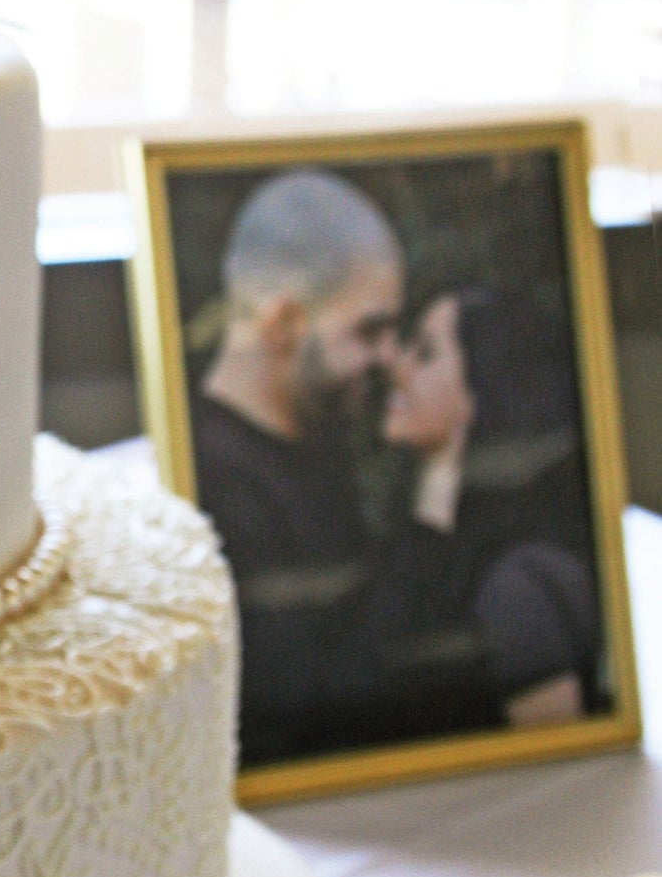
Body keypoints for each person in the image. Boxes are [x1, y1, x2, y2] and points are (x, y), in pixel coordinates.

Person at [192, 168, 494, 765]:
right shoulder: (214, 479)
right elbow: (341, 685)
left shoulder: (316, 438)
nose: (390, 357)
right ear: (281, 325)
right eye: (370, 330)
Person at [383, 286, 600, 726]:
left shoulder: (517, 584)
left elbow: (555, 773)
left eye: (424, 353)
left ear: (482, 385)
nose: (397, 365)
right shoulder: (433, 547)